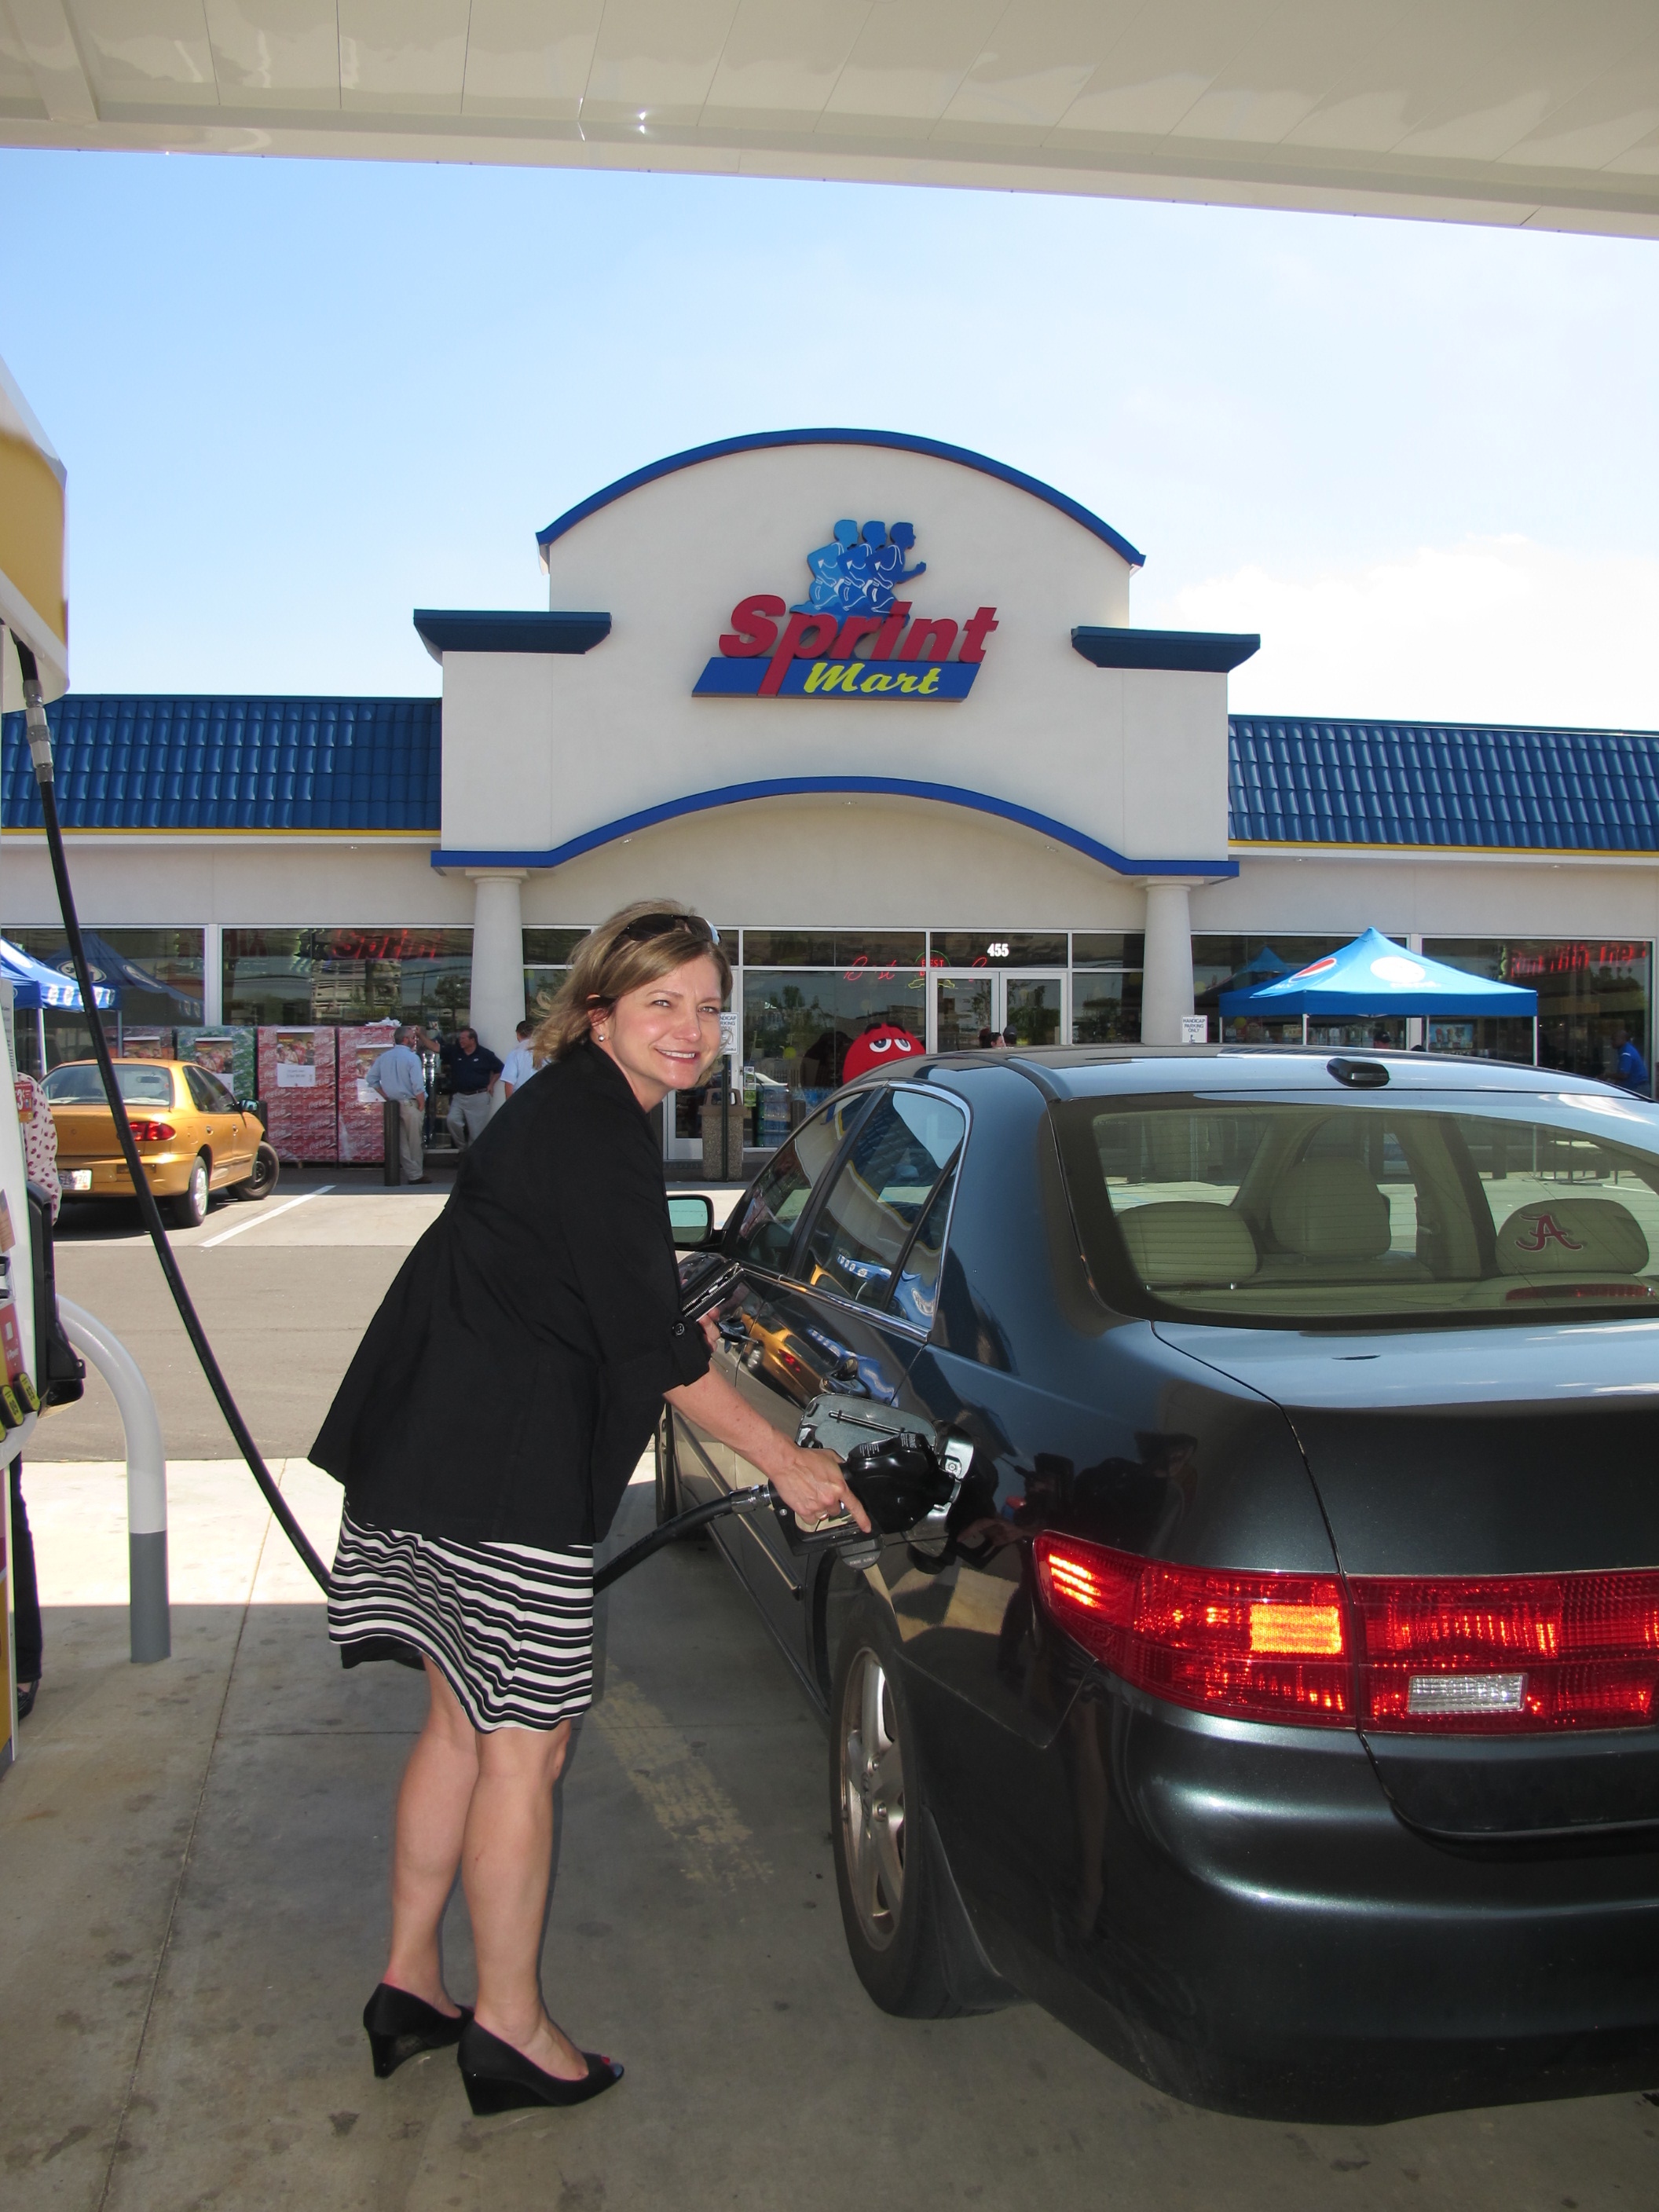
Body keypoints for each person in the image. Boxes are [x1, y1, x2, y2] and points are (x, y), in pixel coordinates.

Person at [311, 901, 868, 2116]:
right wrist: (785, 1459)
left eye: (709, 1006)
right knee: (527, 1745)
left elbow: (591, 1286)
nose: (691, 1029)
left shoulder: (565, 1106)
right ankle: (508, 2026)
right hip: (501, 1478)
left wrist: (660, 1312)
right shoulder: (598, 1128)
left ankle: (409, 1986)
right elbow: (655, 1357)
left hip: (431, 1456)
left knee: (461, 1726)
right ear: (602, 1006)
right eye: (662, 1002)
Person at [9, 1071, 57, 1719]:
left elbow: (37, 1201)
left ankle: (20, 1665)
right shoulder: (20, 1090)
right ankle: (20, 1666)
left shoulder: (18, 1091)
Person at [369, 1026, 431, 1185]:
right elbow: (417, 1084)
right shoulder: (412, 1058)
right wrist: (422, 1104)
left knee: (401, 1142)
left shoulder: (384, 1057)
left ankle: (413, 1173)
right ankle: (416, 1174)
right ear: (405, 1039)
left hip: (393, 1104)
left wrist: (386, 1096)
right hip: (411, 1103)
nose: (414, 1040)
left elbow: (372, 1079)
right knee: (414, 1141)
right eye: (412, 1037)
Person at [441, 1027, 502, 1150]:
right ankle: (462, 1148)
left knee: (476, 1133)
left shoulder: (485, 1054)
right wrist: (421, 1036)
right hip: (459, 1096)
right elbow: (436, 1048)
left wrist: (491, 1084)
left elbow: (499, 1069)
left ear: (472, 1040)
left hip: (478, 1096)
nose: (460, 1041)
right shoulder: (456, 1052)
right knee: (452, 1120)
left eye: (463, 1038)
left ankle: (471, 1159)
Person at [496, 1019, 537, 1102]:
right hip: (541, 1098)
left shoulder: (515, 1053)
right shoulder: (545, 1051)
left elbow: (509, 1082)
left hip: (522, 1099)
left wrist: (509, 1106)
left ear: (518, 1034)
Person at [1613, 1024, 1649, 1096]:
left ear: (1623, 1039)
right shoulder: (1628, 1049)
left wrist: (1607, 1075)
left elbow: (1623, 1075)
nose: (1612, 1042)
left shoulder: (1626, 1052)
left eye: (1614, 1039)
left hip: (1638, 1088)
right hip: (1638, 1086)